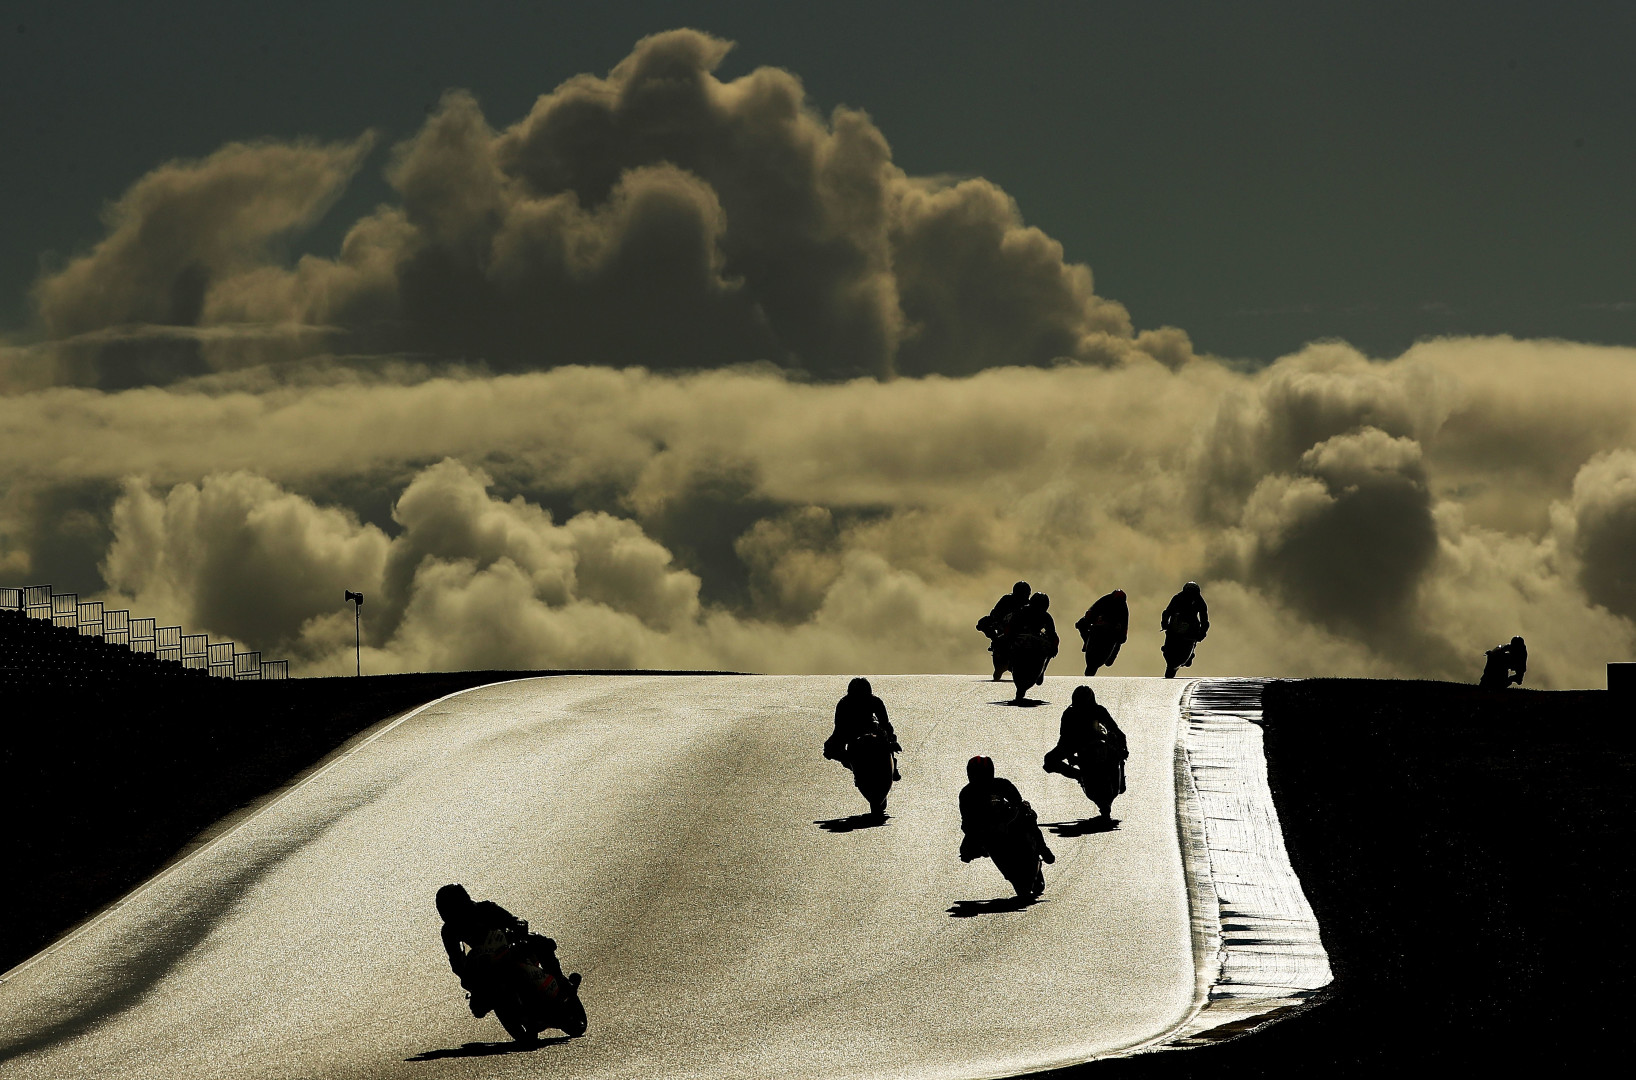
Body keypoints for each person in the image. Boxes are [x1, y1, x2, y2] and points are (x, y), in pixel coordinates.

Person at [436, 884, 563, 1019]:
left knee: (540, 942)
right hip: (486, 964)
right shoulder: (448, 931)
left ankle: (561, 983)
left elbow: (512, 919)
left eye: (452, 908)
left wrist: (519, 924)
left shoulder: (485, 908)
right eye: (445, 910)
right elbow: (455, 959)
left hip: (510, 948)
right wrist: (466, 974)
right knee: (477, 1008)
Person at [1043, 685, 1130, 821]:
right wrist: (1070, 755)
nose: (1082, 706)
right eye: (1079, 703)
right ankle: (1079, 776)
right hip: (1077, 745)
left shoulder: (1099, 711)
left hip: (1101, 743)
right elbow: (1064, 737)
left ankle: (1119, 769)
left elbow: (1117, 731)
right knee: (1049, 761)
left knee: (1117, 752)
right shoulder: (1069, 714)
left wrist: (1123, 748)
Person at [958, 755, 1055, 867]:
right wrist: (974, 833)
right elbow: (966, 819)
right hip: (985, 829)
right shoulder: (966, 793)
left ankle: (1042, 848)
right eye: (977, 774)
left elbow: (1018, 802)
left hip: (1007, 820)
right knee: (965, 852)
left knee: (1029, 816)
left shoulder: (1002, 784)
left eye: (983, 774)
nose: (981, 778)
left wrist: (1018, 810)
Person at [823, 677, 902, 783]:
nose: (860, 700)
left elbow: (885, 724)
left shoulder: (875, 701)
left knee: (887, 738)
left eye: (863, 696)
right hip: (851, 731)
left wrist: (892, 740)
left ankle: (893, 765)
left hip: (871, 728)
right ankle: (855, 767)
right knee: (829, 749)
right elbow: (839, 728)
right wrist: (836, 748)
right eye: (856, 696)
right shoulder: (843, 704)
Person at [1006, 592, 1059, 701]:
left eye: (1041, 606)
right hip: (1021, 641)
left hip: (1037, 644)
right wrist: (1010, 638)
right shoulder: (1021, 612)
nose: (1037, 609)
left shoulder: (1046, 617)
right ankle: (1011, 662)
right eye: (1036, 605)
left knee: (1049, 652)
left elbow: (1052, 634)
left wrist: (1054, 646)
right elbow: (1010, 627)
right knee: (1007, 646)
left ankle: (1042, 669)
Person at [977, 581, 1032, 681]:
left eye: (1025, 594)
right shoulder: (1006, 600)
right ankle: (999, 654)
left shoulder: (1030, 605)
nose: (1022, 597)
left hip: (1024, 635)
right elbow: (994, 614)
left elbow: (1041, 619)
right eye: (1020, 593)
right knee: (989, 630)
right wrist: (993, 624)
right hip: (1006, 632)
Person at [1074, 589, 1129, 676]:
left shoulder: (1123, 608)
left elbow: (1124, 630)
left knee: (1119, 640)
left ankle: (1112, 656)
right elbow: (1091, 611)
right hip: (1098, 629)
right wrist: (1087, 619)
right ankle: (1086, 641)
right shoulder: (1106, 600)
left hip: (1111, 634)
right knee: (1081, 624)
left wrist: (1121, 635)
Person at [1160, 581, 1209, 678]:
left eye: (1192, 593)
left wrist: (1202, 633)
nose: (1190, 596)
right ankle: (1167, 649)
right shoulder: (1177, 598)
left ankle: (1190, 655)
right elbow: (1167, 612)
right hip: (1175, 627)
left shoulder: (1200, 601)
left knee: (1191, 642)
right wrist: (1165, 623)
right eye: (1188, 592)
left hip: (1191, 630)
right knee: (1167, 645)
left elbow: (1204, 619)